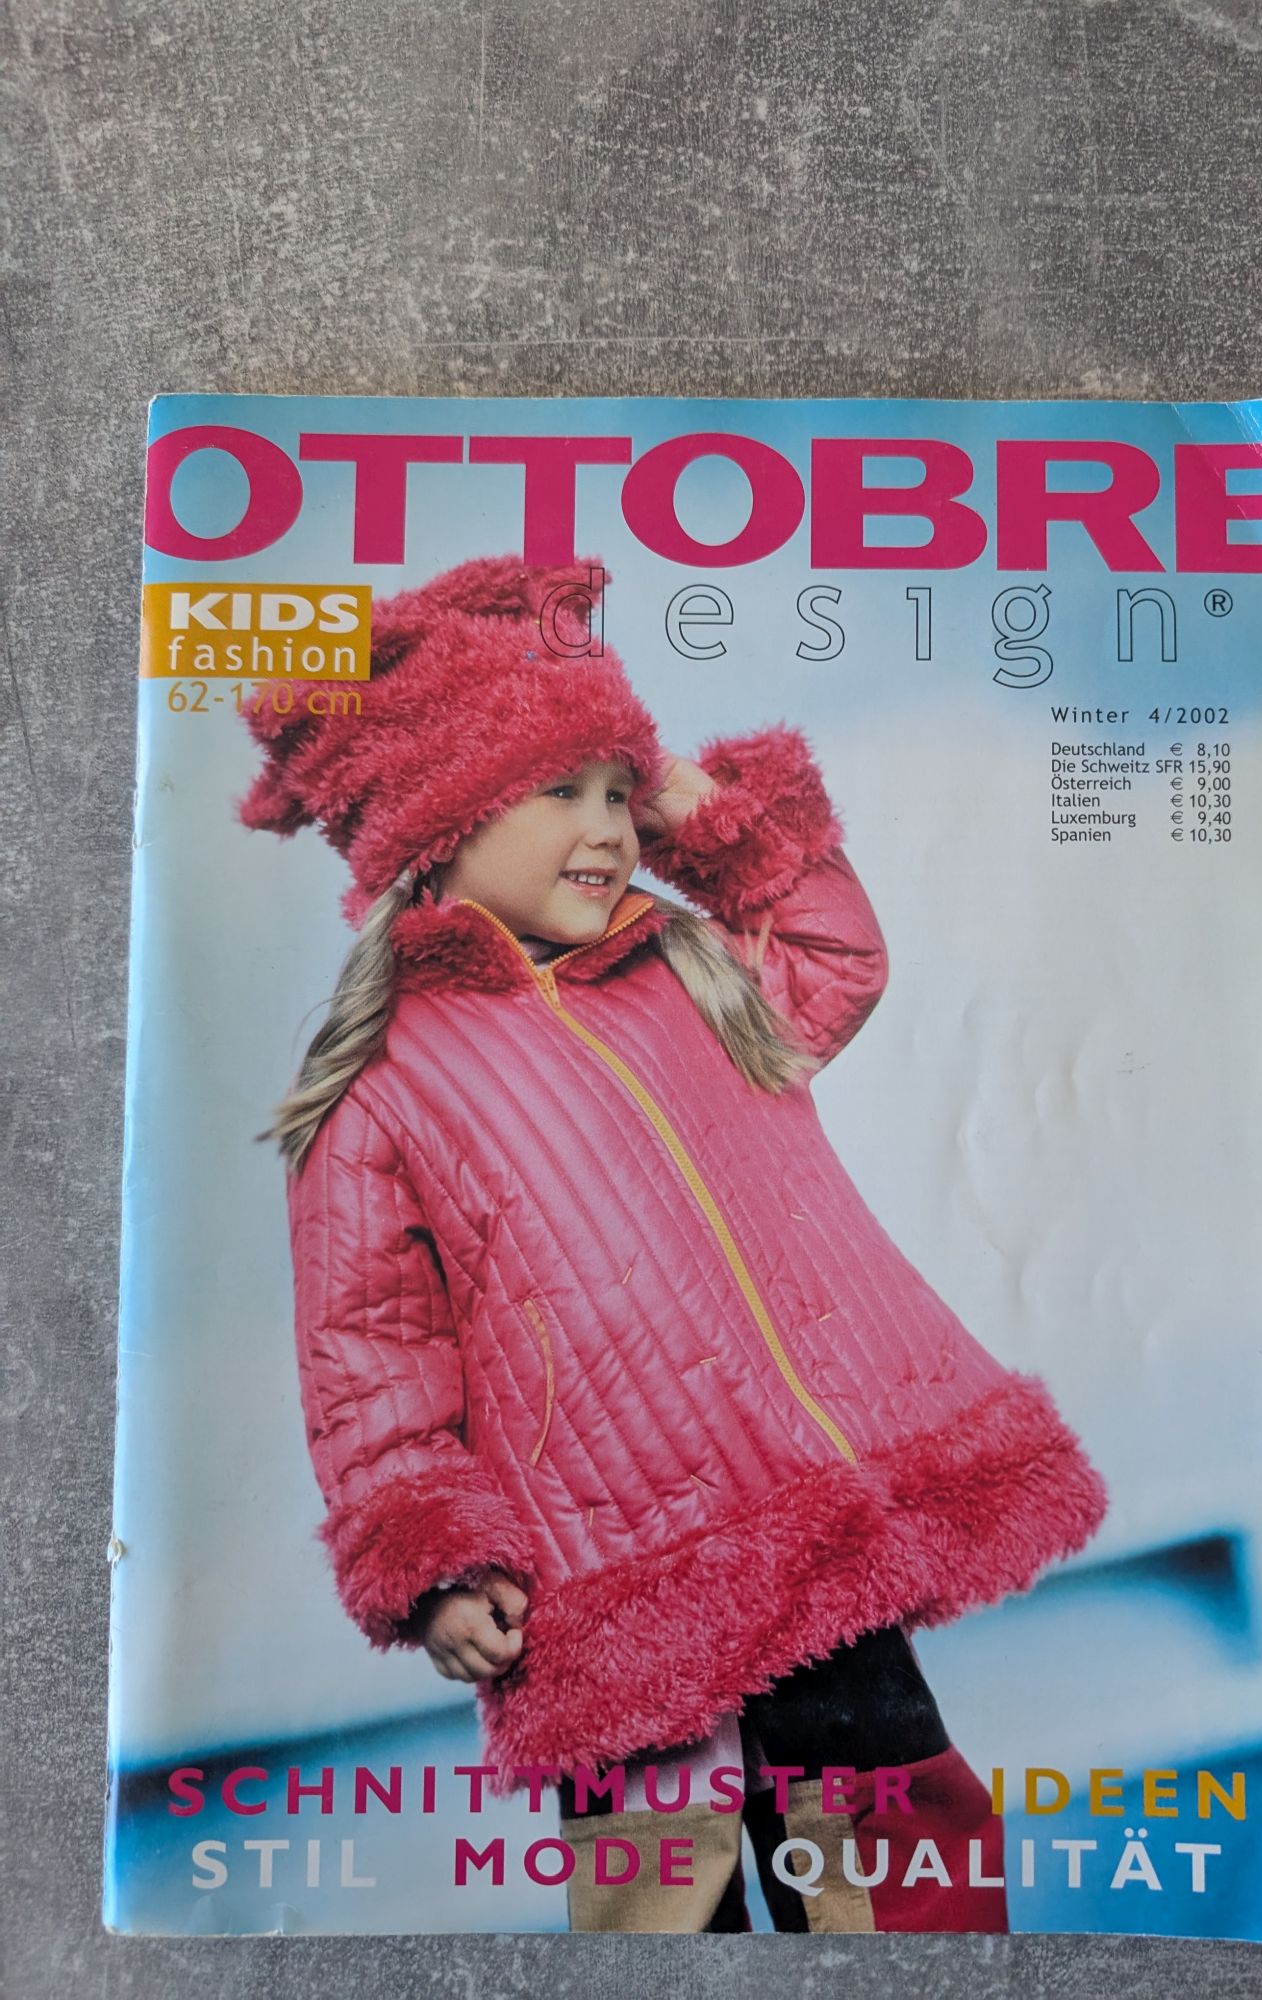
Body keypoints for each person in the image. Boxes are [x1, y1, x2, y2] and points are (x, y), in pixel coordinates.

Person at [241, 554, 1107, 1933]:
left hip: (810, 1528)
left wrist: (697, 804)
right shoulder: (380, 1090)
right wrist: (437, 1563)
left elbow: (834, 953)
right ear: (436, 818)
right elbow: (371, 1359)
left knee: (890, 1851)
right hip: (604, 1580)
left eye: (619, 793)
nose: (608, 830)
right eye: (560, 792)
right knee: (658, 1887)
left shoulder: (687, 970)